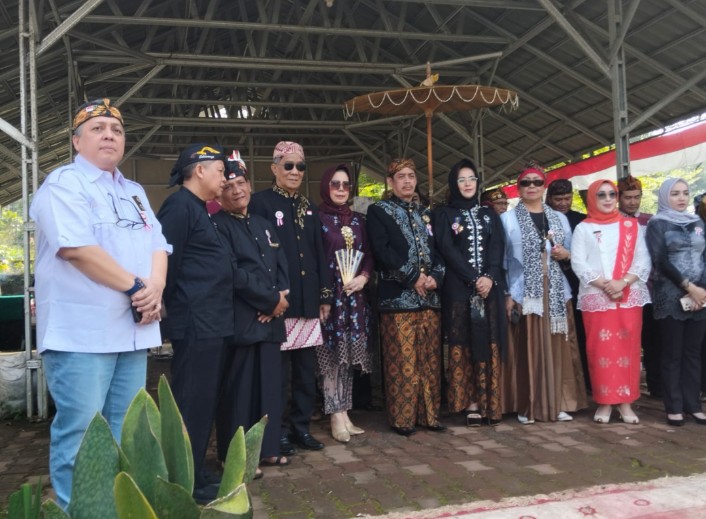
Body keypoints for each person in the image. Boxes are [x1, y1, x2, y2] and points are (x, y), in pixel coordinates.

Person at [30, 99, 170, 508]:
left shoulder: (134, 191)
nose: (109, 135)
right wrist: (137, 288)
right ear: (77, 141)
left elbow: (159, 245)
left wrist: (156, 287)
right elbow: (76, 249)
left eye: (117, 130)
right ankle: (78, 512)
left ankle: (115, 511)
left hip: (131, 331)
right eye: (98, 129)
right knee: (83, 435)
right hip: (81, 335)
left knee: (126, 432)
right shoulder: (64, 184)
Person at [157, 143, 234, 502]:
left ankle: (196, 468)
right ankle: (184, 480)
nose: (225, 178)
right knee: (191, 402)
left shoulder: (200, 209)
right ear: (199, 170)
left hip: (212, 322)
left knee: (203, 402)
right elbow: (166, 265)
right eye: (220, 171)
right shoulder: (179, 207)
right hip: (195, 322)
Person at [249, 141, 332, 455]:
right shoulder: (261, 203)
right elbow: (256, 254)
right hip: (280, 304)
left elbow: (319, 253)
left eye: (300, 166)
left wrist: (325, 295)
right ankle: (279, 431)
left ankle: (301, 428)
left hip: (308, 302)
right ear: (274, 168)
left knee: (305, 373)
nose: (295, 171)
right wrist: (266, 296)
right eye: (288, 165)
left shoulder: (308, 206)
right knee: (279, 374)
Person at [211, 151, 291, 468]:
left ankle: (267, 448)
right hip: (243, 321)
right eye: (228, 186)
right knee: (239, 391)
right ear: (219, 193)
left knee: (270, 387)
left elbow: (282, 266)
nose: (236, 191)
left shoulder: (263, 224)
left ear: (249, 185)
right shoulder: (217, 226)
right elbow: (233, 274)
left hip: (271, 321)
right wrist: (269, 301)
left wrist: (279, 300)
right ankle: (237, 457)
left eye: (241, 183)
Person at [501, 163, 587, 424]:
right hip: (524, 290)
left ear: (544, 186)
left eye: (537, 182)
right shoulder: (507, 219)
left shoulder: (559, 218)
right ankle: (527, 404)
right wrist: (507, 293)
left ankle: (558, 401)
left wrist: (566, 254)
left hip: (556, 289)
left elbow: (574, 253)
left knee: (557, 346)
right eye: (526, 182)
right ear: (518, 187)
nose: (531, 187)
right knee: (527, 346)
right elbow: (502, 260)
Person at [367, 158, 446, 436]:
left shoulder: (426, 214)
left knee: (430, 360)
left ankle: (430, 416)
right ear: (390, 182)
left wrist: (436, 276)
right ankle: (403, 419)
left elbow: (438, 250)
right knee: (403, 362)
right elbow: (381, 250)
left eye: (411, 176)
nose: (407, 181)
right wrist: (412, 277)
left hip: (429, 300)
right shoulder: (379, 211)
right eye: (401, 176)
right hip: (397, 300)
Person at [571, 180, 651, 424]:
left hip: (628, 297)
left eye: (611, 194)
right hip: (597, 298)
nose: (607, 199)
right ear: (592, 198)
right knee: (600, 351)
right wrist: (605, 285)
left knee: (628, 351)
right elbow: (578, 262)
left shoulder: (631, 226)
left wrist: (622, 283)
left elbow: (643, 260)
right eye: (601, 195)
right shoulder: (583, 228)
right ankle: (604, 402)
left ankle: (626, 403)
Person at [434, 159, 507, 426]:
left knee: (488, 341)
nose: (467, 184)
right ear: (454, 184)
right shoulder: (444, 214)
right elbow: (446, 249)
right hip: (459, 290)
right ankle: (470, 403)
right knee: (462, 343)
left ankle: (489, 402)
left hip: (489, 290)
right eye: (461, 179)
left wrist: (489, 277)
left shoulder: (489, 215)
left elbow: (497, 248)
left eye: (472, 179)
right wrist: (474, 278)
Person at [316, 164, 374, 443]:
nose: (340, 189)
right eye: (335, 184)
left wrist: (364, 277)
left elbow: (369, 254)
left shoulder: (359, 220)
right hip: (331, 297)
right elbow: (314, 259)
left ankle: (345, 411)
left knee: (348, 355)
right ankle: (334, 414)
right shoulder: (316, 218)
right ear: (325, 186)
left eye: (345, 185)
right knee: (331, 357)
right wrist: (323, 295)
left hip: (355, 296)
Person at [646, 178, 706, 427]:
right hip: (670, 296)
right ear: (664, 197)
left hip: (700, 296)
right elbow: (660, 260)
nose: (681, 198)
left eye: (685, 193)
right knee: (672, 353)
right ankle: (674, 407)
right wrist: (689, 288)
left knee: (693, 352)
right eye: (674, 194)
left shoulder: (697, 222)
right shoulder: (657, 223)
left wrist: (701, 290)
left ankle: (693, 405)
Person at [546, 178, 590, 392]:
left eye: (567, 198)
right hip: (552, 282)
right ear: (549, 198)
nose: (563, 203)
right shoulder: (542, 218)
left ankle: (585, 380)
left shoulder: (581, 220)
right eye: (558, 199)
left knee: (580, 332)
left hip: (579, 282)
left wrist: (569, 255)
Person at [618, 175, 660, 399]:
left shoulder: (650, 221)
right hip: (622, 290)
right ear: (619, 198)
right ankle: (623, 386)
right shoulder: (611, 221)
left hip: (651, 289)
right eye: (628, 197)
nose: (633, 202)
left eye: (637, 197)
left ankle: (656, 386)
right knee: (624, 341)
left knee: (653, 340)